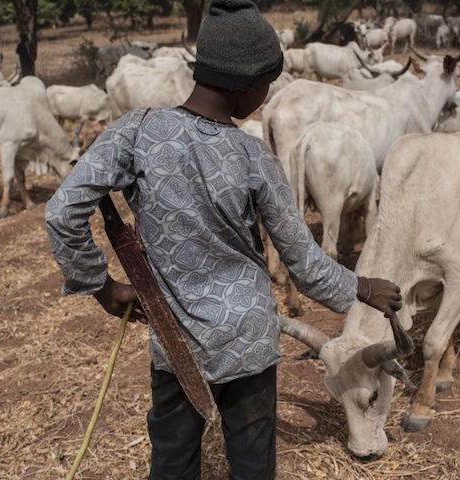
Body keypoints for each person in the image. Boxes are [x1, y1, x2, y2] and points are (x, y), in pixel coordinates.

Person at [45, 0, 402, 478]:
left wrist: (102, 288)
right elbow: (305, 265)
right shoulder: (253, 157)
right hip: (249, 340)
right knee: (252, 464)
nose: (268, 94)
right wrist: (364, 288)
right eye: (268, 84)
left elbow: (62, 211)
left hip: (176, 341)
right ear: (247, 84)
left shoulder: (137, 131)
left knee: (173, 461)